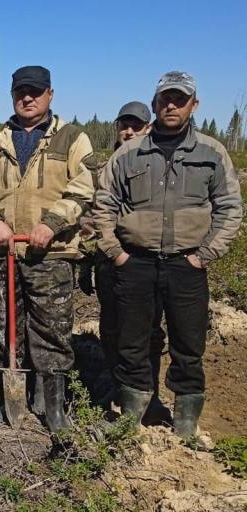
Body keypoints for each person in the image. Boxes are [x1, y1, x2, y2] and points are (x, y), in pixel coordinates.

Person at [93, 71, 242, 438]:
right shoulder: (129, 153)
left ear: (194, 104)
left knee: (188, 343)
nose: (171, 105)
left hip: (187, 264)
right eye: (164, 99)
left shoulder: (212, 152)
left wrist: (205, 255)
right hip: (136, 263)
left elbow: (229, 207)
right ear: (156, 102)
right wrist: (115, 252)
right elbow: (103, 205)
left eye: (180, 99)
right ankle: (133, 414)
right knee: (132, 343)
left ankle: (185, 419)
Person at [0, 65, 99, 433]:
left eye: (36, 92)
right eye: (21, 91)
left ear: (50, 95)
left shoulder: (71, 138)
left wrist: (51, 224)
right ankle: (8, 404)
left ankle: (52, 406)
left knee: (52, 331)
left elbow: (84, 186)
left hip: (50, 255)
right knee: (2, 331)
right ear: (12, 95)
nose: (28, 98)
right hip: (2, 254)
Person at [80, 102, 169, 421]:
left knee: (149, 331)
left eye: (137, 125)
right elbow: (90, 217)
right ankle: (120, 388)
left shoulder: (159, 163)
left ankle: (151, 395)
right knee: (113, 327)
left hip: (148, 264)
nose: (129, 131)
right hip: (108, 264)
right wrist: (86, 262)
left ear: (149, 127)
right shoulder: (103, 168)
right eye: (124, 125)